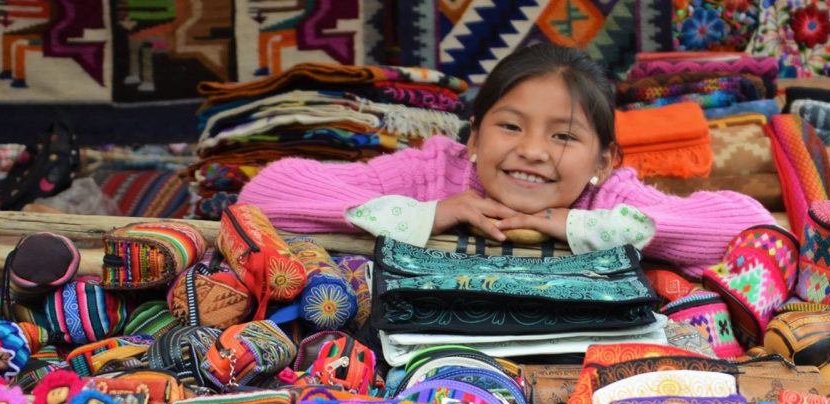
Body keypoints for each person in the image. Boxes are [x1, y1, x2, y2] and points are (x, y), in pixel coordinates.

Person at [238, 44, 774, 277]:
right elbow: (265, 196)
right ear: (473, 137)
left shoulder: (605, 195)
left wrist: (580, 224)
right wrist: (434, 212)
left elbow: (751, 228)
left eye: (563, 136)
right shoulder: (437, 172)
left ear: (604, 159)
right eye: (510, 126)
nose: (532, 150)